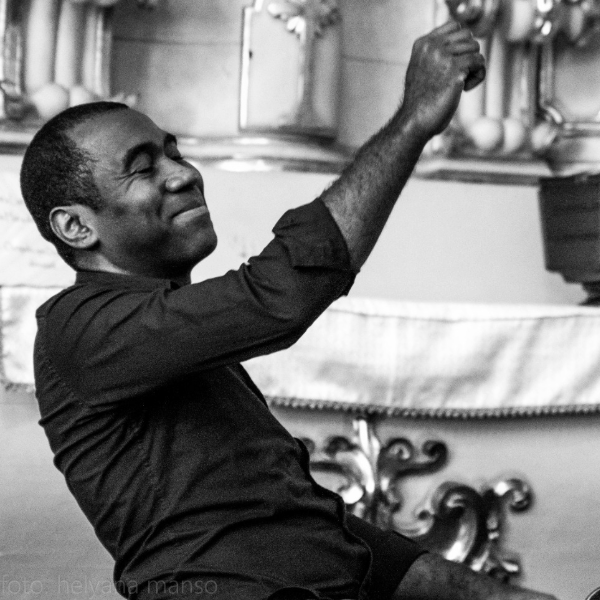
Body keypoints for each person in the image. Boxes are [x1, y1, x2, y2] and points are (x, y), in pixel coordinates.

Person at [21, 21, 556, 600]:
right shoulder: (79, 327)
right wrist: (414, 120)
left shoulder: (177, 338)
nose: (184, 174)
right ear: (76, 226)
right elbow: (281, 294)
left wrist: (495, 596)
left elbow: (300, 527)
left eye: (174, 153)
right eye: (143, 167)